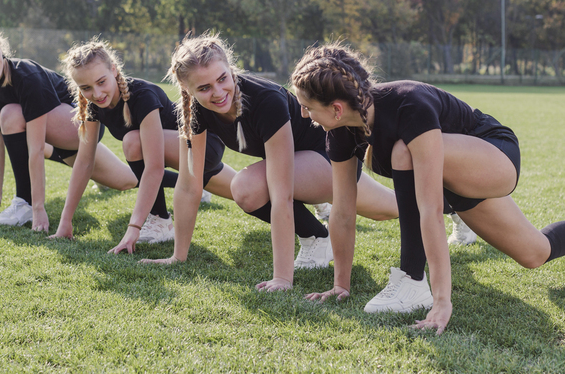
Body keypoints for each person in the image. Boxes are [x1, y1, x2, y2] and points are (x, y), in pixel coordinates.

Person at [291, 43, 565, 334]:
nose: (305, 116)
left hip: (492, 157)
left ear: (336, 108)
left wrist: (442, 301)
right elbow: (343, 211)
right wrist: (339, 285)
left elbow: (429, 210)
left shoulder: (409, 104)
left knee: (403, 151)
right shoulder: (340, 132)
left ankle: (412, 280)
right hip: (449, 183)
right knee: (534, 253)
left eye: (307, 108)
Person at [144, 33, 398, 292]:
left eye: (222, 79)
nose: (218, 92)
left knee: (389, 208)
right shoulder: (194, 111)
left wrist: (282, 279)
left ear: (230, 69)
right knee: (389, 207)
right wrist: (178, 256)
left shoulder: (265, 99)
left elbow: (282, 195)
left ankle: (432, 207)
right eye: (204, 88)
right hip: (295, 165)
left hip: (328, 158)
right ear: (188, 89)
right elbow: (188, 185)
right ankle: (318, 235)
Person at [51, 39, 235, 249]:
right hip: (183, 157)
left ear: (113, 69)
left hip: (203, 145)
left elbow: (155, 168)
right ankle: (198, 187)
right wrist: (65, 221)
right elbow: (83, 163)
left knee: (133, 142)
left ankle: (160, 219)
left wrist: (134, 228)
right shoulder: (94, 105)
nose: (97, 93)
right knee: (246, 193)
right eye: (86, 88)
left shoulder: (141, 95)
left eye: (101, 82)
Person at [0, 22, 138, 232]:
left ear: (1, 48)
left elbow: (36, 149)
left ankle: (24, 202)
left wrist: (37, 207)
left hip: (78, 126)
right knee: (128, 181)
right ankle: (175, 180)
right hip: (56, 140)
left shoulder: (25, 74)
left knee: (11, 114)